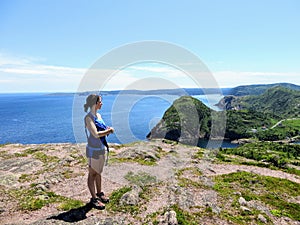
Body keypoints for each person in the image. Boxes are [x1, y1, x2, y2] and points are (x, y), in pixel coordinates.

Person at [84, 94, 114, 210]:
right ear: (94, 103)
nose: (101, 103)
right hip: (94, 150)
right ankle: (93, 199)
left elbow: (101, 129)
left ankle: (99, 193)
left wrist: (107, 129)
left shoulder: (98, 115)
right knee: (92, 174)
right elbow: (95, 134)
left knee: (99, 172)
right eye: (100, 101)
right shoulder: (88, 118)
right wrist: (109, 131)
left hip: (101, 148)